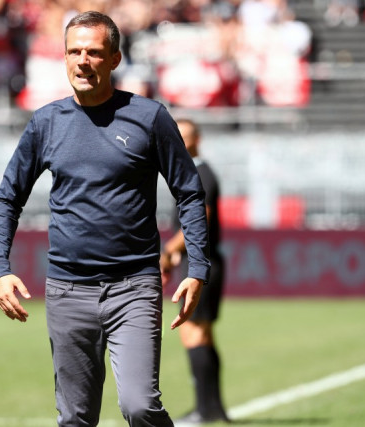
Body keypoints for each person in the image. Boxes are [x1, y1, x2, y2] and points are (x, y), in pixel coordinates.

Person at [0, 11, 210, 427]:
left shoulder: (149, 117)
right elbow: (8, 198)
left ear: (114, 59)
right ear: (64, 57)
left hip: (135, 286)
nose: (83, 61)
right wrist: (0, 269)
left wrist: (197, 267)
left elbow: (189, 192)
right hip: (67, 290)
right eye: (74, 51)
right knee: (75, 418)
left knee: (140, 406)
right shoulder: (46, 123)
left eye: (93, 52)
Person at [160, 119, 229, 425]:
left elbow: (199, 219)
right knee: (202, 333)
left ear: (197, 139)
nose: (178, 141)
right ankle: (212, 408)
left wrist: (168, 250)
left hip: (200, 263)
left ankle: (206, 409)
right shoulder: (189, 173)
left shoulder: (200, 174)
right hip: (198, 260)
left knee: (194, 332)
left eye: (184, 136)